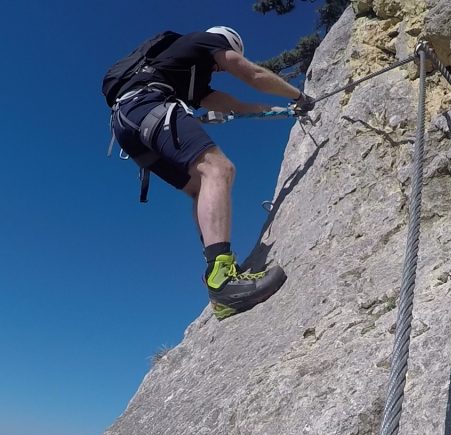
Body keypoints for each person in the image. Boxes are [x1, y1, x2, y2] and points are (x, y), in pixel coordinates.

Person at [109, 26, 315, 320]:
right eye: (223, 60)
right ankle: (222, 279)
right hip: (148, 105)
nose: (220, 68)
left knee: (198, 186)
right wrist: (299, 95)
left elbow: (234, 106)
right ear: (227, 42)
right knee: (218, 168)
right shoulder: (205, 40)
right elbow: (252, 75)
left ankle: (219, 282)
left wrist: (283, 110)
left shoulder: (188, 76)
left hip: (127, 124)